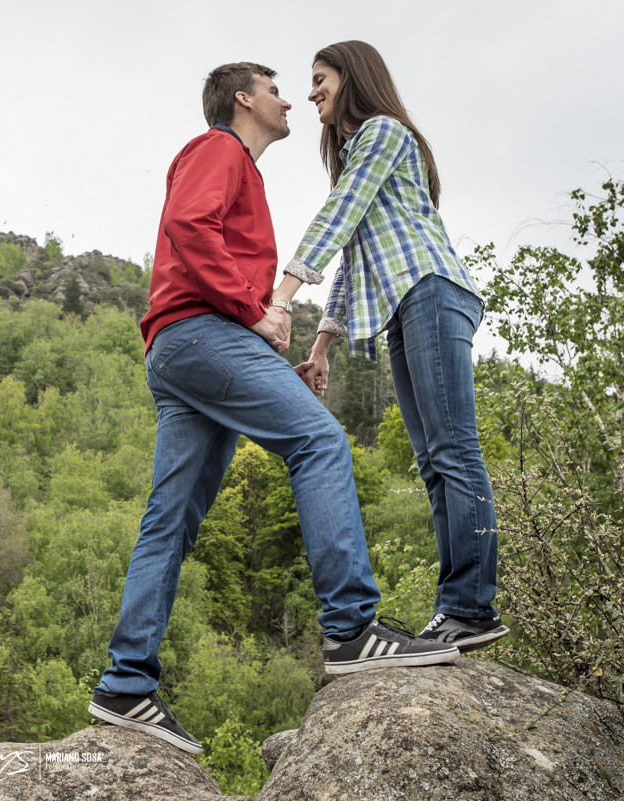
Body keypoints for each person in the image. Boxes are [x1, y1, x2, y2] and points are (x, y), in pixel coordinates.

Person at [87, 61, 459, 757]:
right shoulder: (219, 149)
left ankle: (125, 681)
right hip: (203, 332)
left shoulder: (242, 169)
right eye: (276, 88)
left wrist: (257, 331)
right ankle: (353, 627)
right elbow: (190, 227)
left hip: (186, 345)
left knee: (170, 519)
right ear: (242, 99)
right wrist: (255, 314)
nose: (289, 100)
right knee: (320, 440)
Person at [279, 41, 509, 653]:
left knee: (455, 451)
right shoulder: (359, 154)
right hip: (407, 309)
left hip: (431, 292)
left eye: (320, 79)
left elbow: (340, 212)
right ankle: (458, 608)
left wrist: (284, 292)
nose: (310, 93)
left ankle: (472, 607)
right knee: (435, 462)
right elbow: (353, 257)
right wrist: (322, 346)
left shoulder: (382, 133)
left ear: (351, 77)